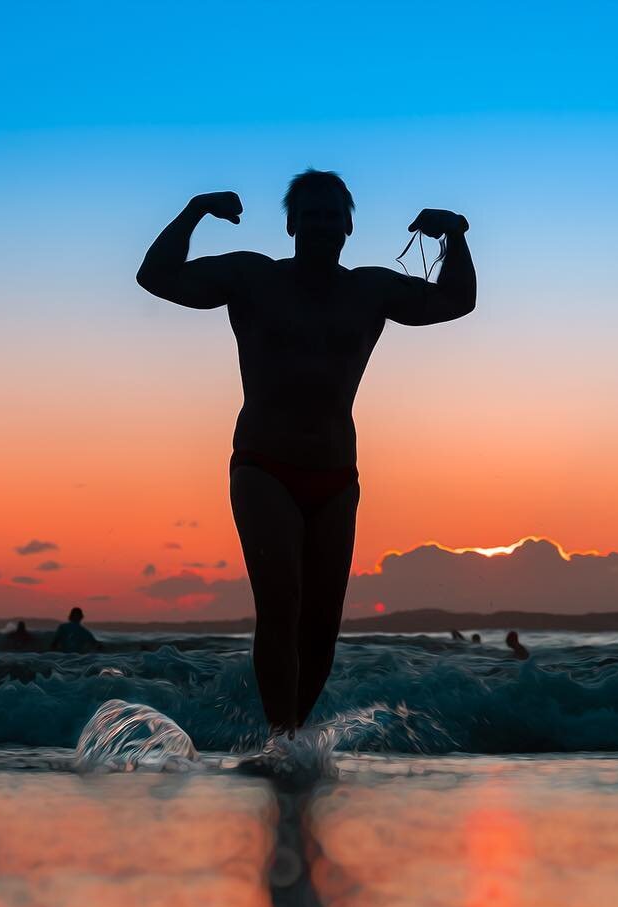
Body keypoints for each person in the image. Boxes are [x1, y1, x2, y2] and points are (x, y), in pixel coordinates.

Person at [137, 169, 476, 734]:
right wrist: (195, 210)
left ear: (348, 224)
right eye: (309, 214)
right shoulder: (252, 277)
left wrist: (455, 235)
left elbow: (456, 300)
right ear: (292, 224)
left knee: (322, 623)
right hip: (263, 465)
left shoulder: (370, 289)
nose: (320, 224)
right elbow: (156, 276)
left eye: (330, 214)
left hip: (337, 475)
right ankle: (281, 737)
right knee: (282, 604)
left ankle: (292, 734)